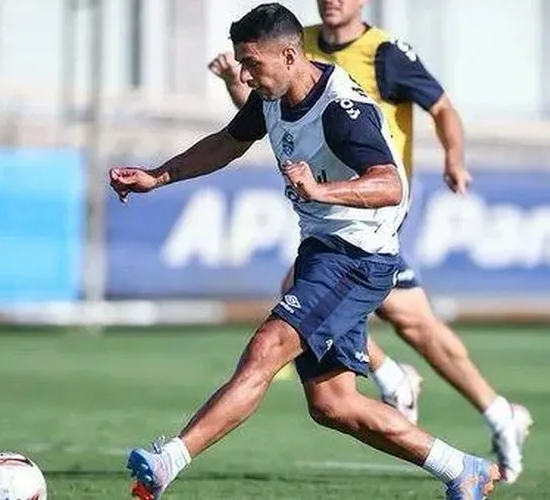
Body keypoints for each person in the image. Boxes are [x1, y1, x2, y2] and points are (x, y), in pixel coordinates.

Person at [111, 4, 500, 499]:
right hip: (324, 251)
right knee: (333, 404)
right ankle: (462, 468)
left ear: (290, 55)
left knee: (267, 348)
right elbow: (227, 142)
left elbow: (388, 185)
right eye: (242, 64)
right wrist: (157, 176)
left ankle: (168, 461)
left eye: (252, 64)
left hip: (357, 258)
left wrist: (322, 192)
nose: (246, 75)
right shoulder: (272, 94)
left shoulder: (341, 110)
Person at [208, 0, 530, 483]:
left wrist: (454, 158)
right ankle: (494, 412)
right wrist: (239, 86)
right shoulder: (298, 42)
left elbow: (441, 107)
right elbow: (281, 125)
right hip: (334, 214)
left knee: (362, 309)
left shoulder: (385, 54)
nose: (332, 0)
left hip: (372, 209)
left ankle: (413, 386)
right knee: (408, 320)